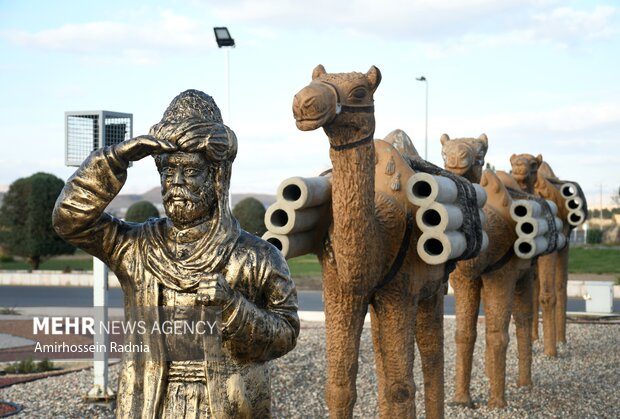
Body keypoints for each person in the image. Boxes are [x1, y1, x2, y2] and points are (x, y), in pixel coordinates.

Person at [53, 90, 299, 418]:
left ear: (216, 176)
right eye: (168, 172)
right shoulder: (136, 247)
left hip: (226, 406)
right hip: (150, 404)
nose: (176, 182)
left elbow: (285, 334)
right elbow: (69, 220)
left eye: (190, 171)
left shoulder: (256, 257)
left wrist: (233, 308)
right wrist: (113, 159)